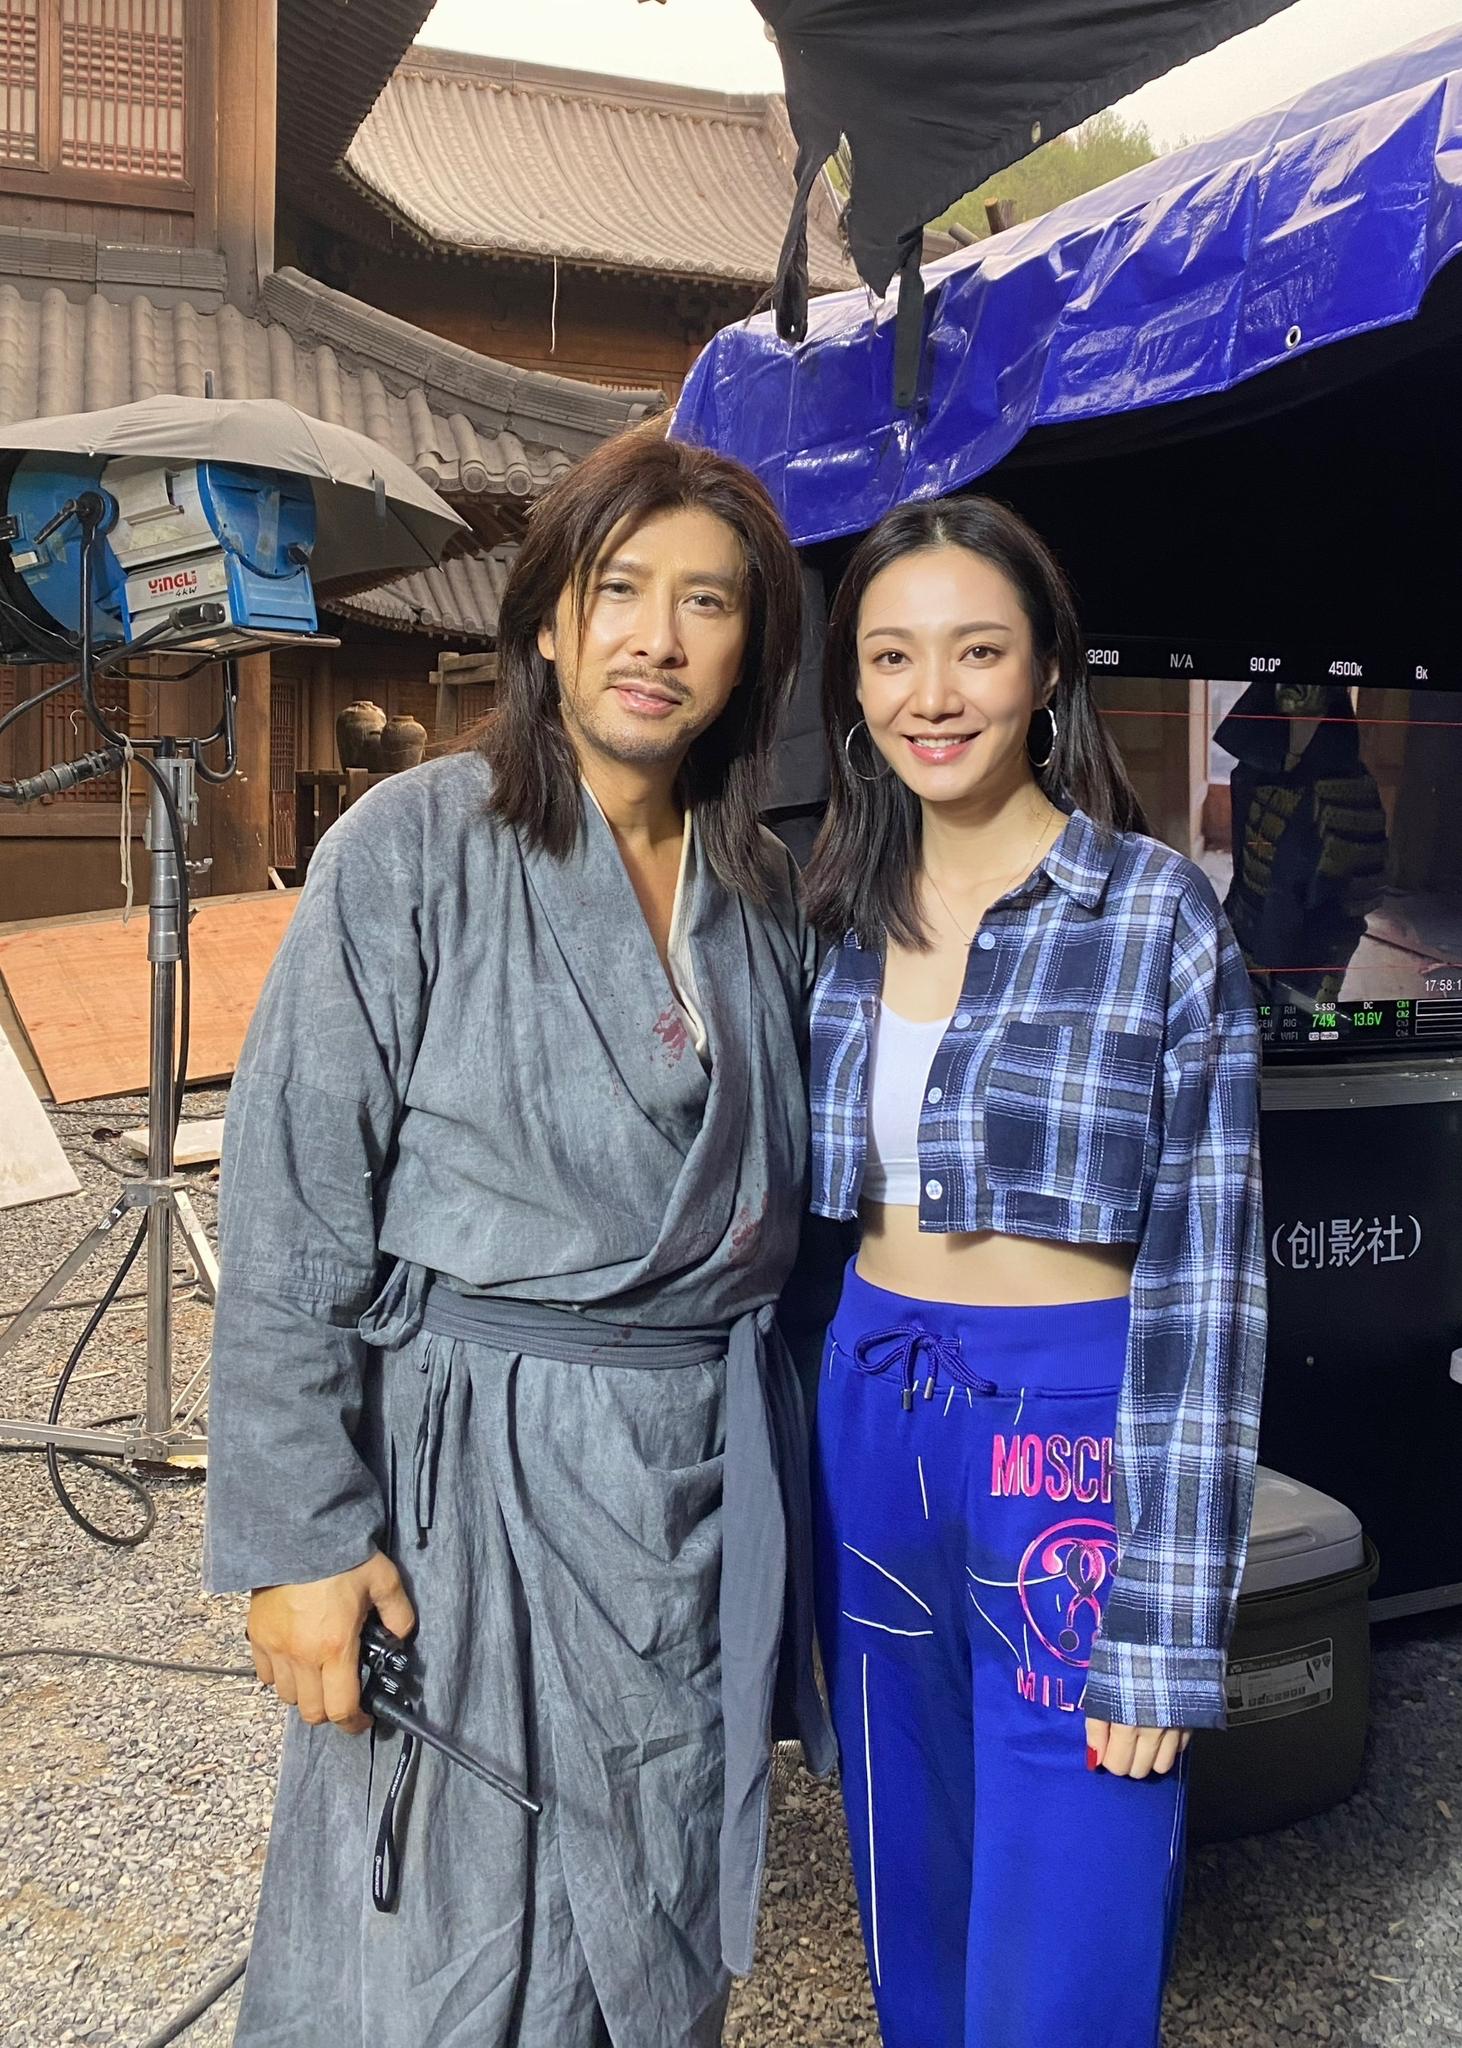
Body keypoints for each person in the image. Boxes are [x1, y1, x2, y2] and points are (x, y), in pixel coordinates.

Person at [203, 433, 835, 2048]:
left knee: (656, 1890)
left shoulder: (762, 887)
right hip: (468, 1485)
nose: (656, 638)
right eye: (618, 590)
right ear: (547, 620)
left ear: (751, 651)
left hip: (693, 1479)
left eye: (708, 603)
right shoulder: (411, 847)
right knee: (437, 1929)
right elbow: (292, 1206)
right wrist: (297, 1538)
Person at [800, 496, 1267, 2048]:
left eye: (977, 651)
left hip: (1072, 1430)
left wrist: (1169, 1630)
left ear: (1048, 669)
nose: (931, 695)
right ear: (853, 688)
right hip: (871, 1408)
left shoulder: (1151, 914)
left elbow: (1209, 1283)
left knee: (1066, 1923)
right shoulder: (829, 915)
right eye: (891, 656)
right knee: (910, 1890)